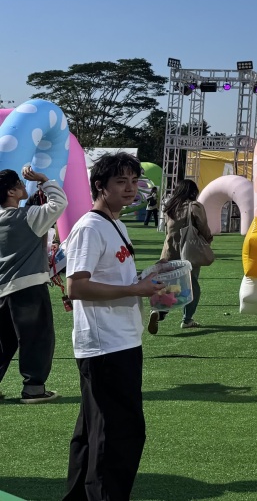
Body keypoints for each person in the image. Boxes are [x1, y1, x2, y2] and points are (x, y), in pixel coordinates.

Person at [63, 152, 161, 501]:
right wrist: (134, 290)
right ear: (100, 186)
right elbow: (76, 287)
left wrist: (146, 283)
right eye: (121, 182)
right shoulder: (90, 227)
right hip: (106, 346)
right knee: (118, 434)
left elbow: (109, 277)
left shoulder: (114, 222)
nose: (130, 188)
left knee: (93, 431)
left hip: (120, 340)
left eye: (134, 181)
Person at [0, 165, 68, 403]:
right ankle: (34, 389)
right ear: (11, 192)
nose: (23, 185)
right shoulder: (28, 216)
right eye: (19, 184)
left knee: (3, 341)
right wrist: (44, 180)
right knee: (37, 339)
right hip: (29, 287)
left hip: (2, 289)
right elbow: (59, 203)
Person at [149, 179, 212, 333]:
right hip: (189, 252)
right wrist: (207, 240)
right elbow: (203, 228)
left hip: (169, 251)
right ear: (193, 191)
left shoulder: (170, 207)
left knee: (171, 284)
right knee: (191, 286)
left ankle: (160, 311)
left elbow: (167, 231)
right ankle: (187, 319)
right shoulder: (194, 206)